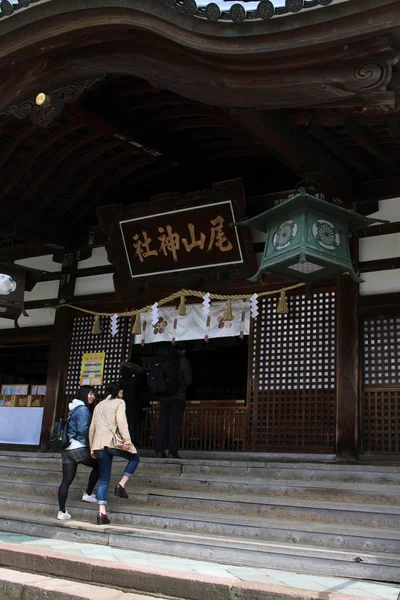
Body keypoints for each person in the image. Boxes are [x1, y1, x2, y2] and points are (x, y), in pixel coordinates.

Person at [89, 383, 140, 525]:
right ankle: (121, 485)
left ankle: (101, 513)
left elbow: (92, 427)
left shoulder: (99, 405)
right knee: (135, 457)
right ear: (119, 392)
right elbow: (122, 422)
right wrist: (128, 442)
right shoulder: (119, 402)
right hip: (112, 443)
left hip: (98, 445)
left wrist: (92, 448)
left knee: (104, 478)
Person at [57, 386, 99, 520]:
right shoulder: (83, 409)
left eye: (93, 394)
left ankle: (62, 511)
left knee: (66, 480)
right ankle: (88, 494)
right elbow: (83, 430)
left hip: (67, 448)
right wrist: (92, 444)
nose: (92, 396)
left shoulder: (73, 408)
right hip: (78, 447)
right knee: (99, 466)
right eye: (90, 394)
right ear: (84, 394)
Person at [155, 344, 192, 459]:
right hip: (178, 396)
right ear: (183, 350)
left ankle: (159, 450)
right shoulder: (183, 361)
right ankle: (172, 451)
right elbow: (189, 380)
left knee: (162, 422)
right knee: (175, 424)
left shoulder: (162, 361)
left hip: (164, 397)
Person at [119, 356, 147, 447]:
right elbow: (142, 388)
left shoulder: (123, 372)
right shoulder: (138, 374)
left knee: (126, 421)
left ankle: (126, 441)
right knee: (136, 422)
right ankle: (135, 441)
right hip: (136, 400)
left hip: (124, 400)